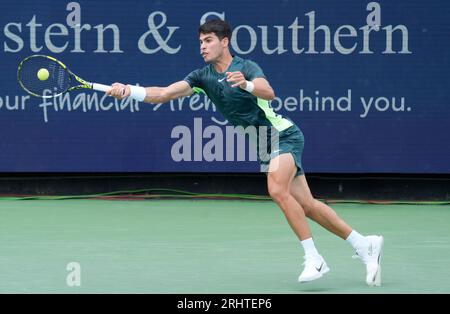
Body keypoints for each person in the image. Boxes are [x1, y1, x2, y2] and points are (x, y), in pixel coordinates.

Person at [107, 19, 384, 286]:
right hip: (265, 143)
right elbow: (165, 93)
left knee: (276, 189)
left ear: (224, 42)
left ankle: (314, 258)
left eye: (208, 41)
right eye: (200, 42)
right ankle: (364, 244)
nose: (202, 46)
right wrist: (129, 90)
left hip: (283, 135)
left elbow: (269, 92)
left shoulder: (245, 66)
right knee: (307, 205)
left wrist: (247, 84)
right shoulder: (201, 77)